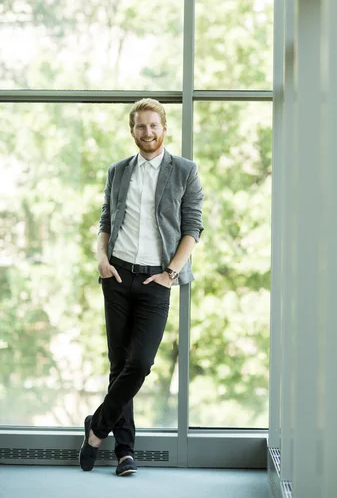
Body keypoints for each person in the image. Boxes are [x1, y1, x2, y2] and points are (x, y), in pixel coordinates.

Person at [79, 98, 204, 476]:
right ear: (131, 131)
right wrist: (102, 259)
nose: (147, 132)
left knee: (140, 363)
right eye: (140, 127)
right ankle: (124, 453)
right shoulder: (117, 171)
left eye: (153, 125)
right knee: (119, 364)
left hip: (156, 279)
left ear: (164, 128)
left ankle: (97, 428)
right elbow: (106, 219)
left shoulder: (184, 171)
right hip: (116, 276)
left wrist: (171, 273)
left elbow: (192, 227)